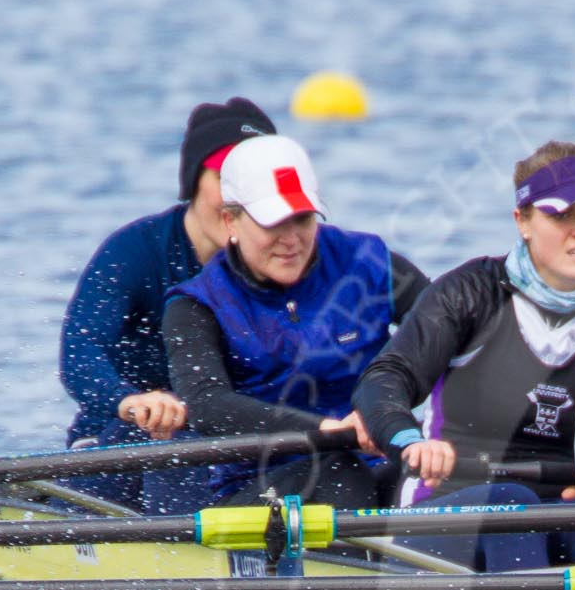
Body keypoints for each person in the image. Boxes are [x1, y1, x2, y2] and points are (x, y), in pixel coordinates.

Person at [352, 141, 575, 569]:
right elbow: (385, 378)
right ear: (522, 221)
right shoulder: (470, 293)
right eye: (562, 215)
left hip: (564, 509)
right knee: (512, 507)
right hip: (444, 508)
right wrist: (408, 441)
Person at [162, 134, 429, 507]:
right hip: (260, 486)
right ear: (230, 222)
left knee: (434, 465)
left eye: (301, 219)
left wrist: (388, 414)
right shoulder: (196, 305)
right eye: (274, 222)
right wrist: (326, 430)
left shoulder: (370, 262)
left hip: (372, 463)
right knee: (340, 471)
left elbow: (449, 340)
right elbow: (208, 405)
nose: (291, 240)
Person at [57, 97, 276, 509]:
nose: (240, 200)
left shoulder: (288, 260)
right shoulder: (136, 250)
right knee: (174, 440)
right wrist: (130, 400)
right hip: (119, 440)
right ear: (194, 181)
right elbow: (80, 353)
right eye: (227, 180)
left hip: (233, 449)